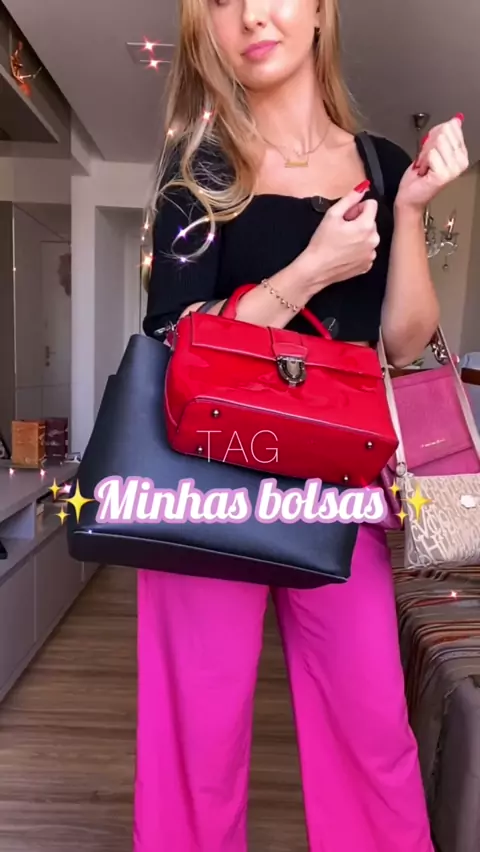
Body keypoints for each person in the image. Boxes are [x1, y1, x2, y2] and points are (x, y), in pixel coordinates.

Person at [136, 0, 469, 847]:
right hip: (204, 490)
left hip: (339, 486)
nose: (252, 15)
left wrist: (409, 211)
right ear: (205, 27)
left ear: (321, 10)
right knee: (194, 743)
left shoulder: (381, 164)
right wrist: (310, 271)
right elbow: (176, 337)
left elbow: (405, 342)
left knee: (372, 734)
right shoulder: (198, 167)